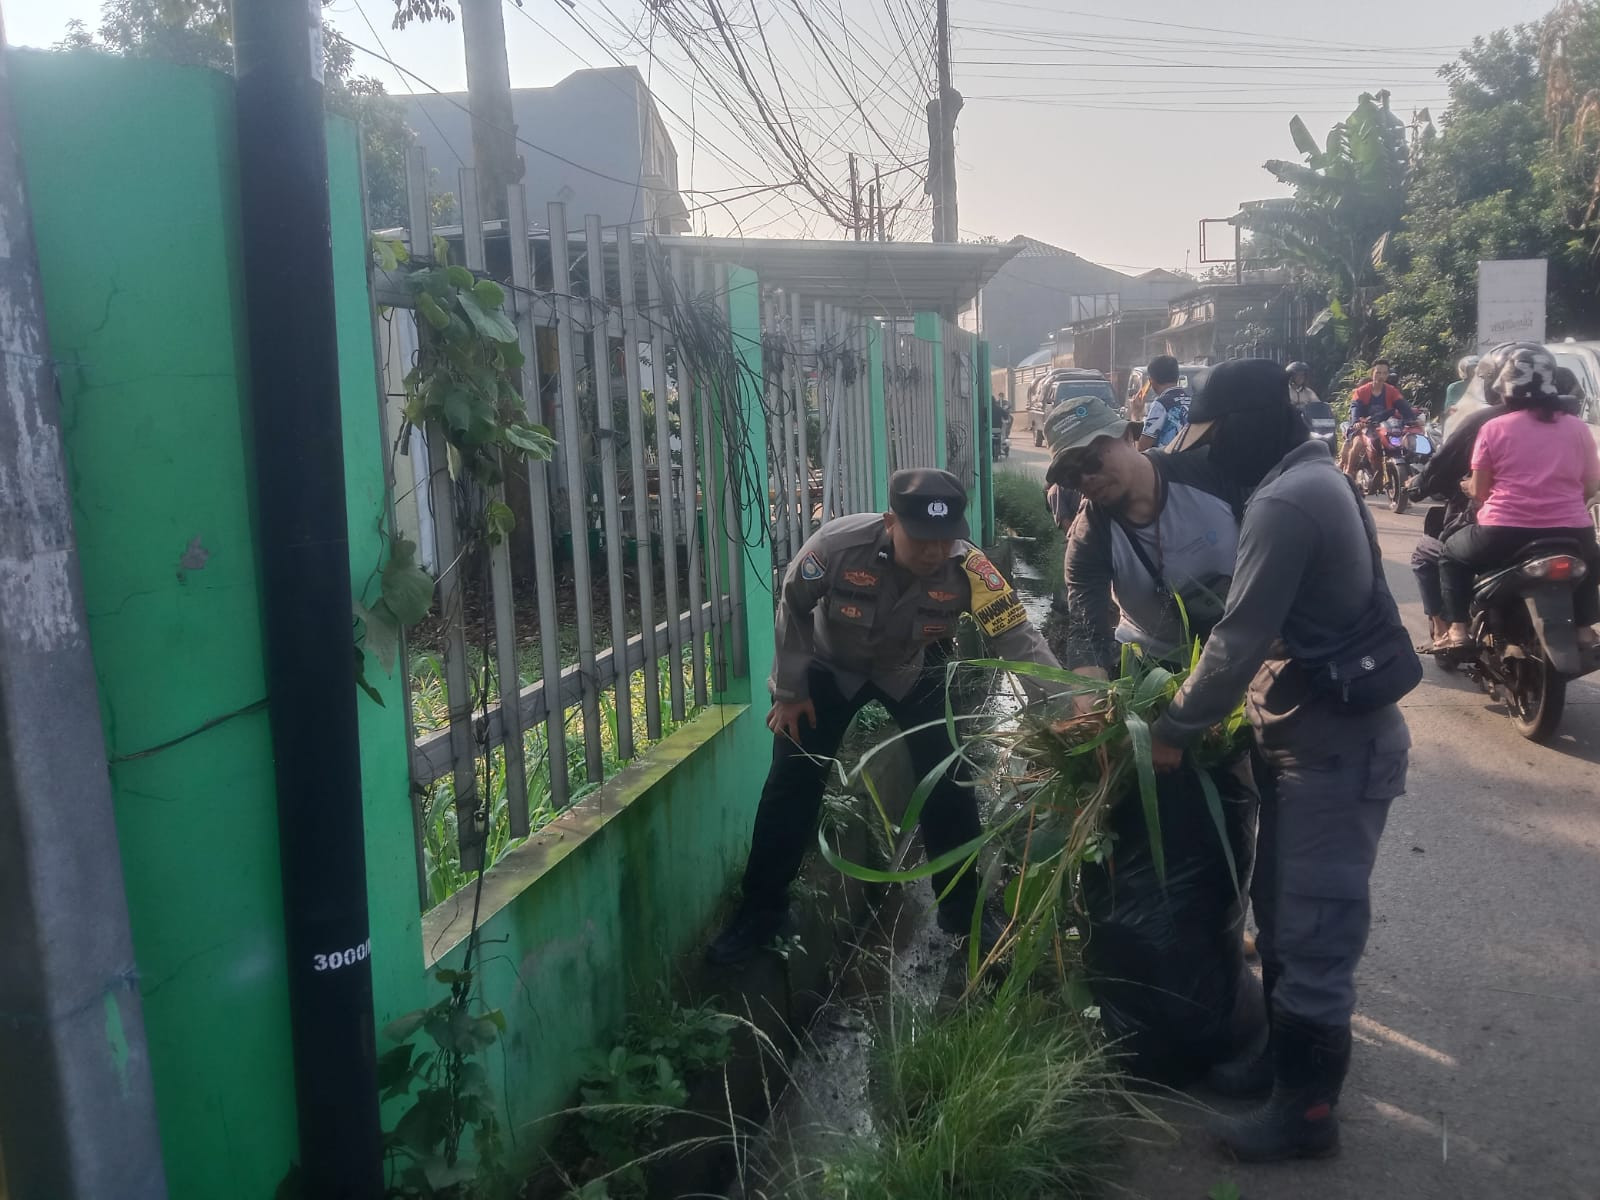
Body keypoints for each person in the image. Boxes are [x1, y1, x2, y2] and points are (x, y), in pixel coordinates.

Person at [1147, 358, 1416, 1162]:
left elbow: (1236, 641)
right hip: (1306, 737)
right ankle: (1278, 1063)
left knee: (1314, 927)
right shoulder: (1309, 476)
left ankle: (1304, 1116)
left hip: (1334, 751)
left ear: (1246, 428)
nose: (1207, 457)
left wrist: (1173, 726)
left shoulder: (1287, 500)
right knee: (1280, 908)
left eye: (1215, 439)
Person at [707, 469, 1066, 966]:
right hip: (830, 669)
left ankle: (963, 910)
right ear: (890, 520)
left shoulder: (973, 570)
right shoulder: (837, 545)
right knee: (792, 781)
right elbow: (794, 601)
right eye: (922, 539)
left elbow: (1017, 637)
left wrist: (1066, 705)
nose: (935, 552)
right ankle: (761, 913)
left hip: (912, 667)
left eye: (946, 539)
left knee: (949, 781)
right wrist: (789, 691)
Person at [1048, 397, 1240, 703]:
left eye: (1090, 460)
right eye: (1071, 476)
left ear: (1127, 434)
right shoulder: (1089, 539)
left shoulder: (1205, 471)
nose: (1085, 479)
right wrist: (1090, 709)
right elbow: (1088, 635)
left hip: (1241, 650)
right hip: (1150, 668)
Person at [1438, 343, 1600, 651]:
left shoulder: (1494, 427)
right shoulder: (1578, 428)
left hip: (1503, 533)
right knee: (1589, 561)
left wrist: (1466, 487)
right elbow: (1590, 489)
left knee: (1450, 556)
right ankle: (1584, 629)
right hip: (1572, 533)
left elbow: (1481, 490)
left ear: (1506, 389)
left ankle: (1458, 630)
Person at [1409, 352, 1510, 649]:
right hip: (1566, 529)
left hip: (1495, 526)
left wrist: (1418, 486)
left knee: (1434, 554)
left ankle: (1450, 630)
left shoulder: (1487, 423)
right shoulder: (1567, 423)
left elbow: (1448, 465)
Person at [1341, 361, 1416, 484]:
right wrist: (1356, 422)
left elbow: (1403, 406)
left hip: (1385, 427)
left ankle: (1403, 483)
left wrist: (1412, 418)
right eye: (1378, 372)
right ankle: (1349, 473)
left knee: (1403, 445)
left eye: (1384, 373)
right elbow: (1355, 408)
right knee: (1359, 444)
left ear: (1387, 375)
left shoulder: (1392, 391)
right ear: (1372, 373)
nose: (1381, 376)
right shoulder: (1361, 391)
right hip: (1364, 424)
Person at [1139, 355, 1191, 450]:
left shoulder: (1161, 404)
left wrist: (1136, 414)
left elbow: (1142, 447)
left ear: (1152, 382)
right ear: (1177, 377)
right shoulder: (1192, 401)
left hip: (1168, 462)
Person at [1440, 354, 1480, 419]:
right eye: (1471, 368)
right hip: (1462, 420)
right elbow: (1450, 409)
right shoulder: (1455, 387)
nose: (1475, 371)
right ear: (1464, 370)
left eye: (1477, 367)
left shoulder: (1487, 385)